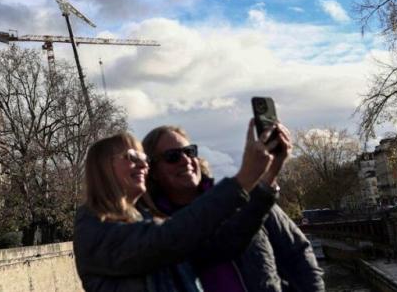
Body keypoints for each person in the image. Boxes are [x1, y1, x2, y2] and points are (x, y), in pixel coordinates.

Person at [73, 120, 286, 292]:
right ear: (103, 169)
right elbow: (167, 239)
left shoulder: (147, 219)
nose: (143, 164)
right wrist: (243, 180)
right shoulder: (92, 226)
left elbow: (221, 244)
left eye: (144, 158)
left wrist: (266, 180)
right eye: (132, 157)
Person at [142, 125, 324, 292]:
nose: (185, 160)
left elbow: (297, 252)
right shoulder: (153, 227)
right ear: (153, 171)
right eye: (172, 157)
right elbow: (217, 246)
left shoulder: (248, 198)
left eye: (189, 152)